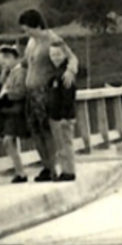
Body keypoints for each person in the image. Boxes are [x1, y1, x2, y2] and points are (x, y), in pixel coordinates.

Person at [18, 8, 78, 182]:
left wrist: (70, 71)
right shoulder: (31, 42)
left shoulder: (52, 39)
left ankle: (58, 168)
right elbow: (25, 63)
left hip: (45, 91)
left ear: (37, 25)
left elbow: (72, 58)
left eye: (28, 28)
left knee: (49, 131)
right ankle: (47, 167)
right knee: (36, 131)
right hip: (31, 93)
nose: (26, 32)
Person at [0, 44, 29, 183]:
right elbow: (1, 82)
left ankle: (20, 172)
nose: (3, 65)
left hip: (16, 110)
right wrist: (4, 70)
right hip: (10, 110)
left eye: (4, 62)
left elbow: (21, 91)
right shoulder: (11, 72)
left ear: (12, 58)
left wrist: (7, 96)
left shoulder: (20, 72)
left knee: (9, 140)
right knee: (9, 141)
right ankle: (19, 171)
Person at [48, 41, 77, 181]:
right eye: (52, 54)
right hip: (56, 116)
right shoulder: (56, 73)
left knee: (66, 144)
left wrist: (65, 116)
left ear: (65, 55)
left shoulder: (66, 74)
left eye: (58, 54)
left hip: (63, 116)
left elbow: (68, 97)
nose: (55, 57)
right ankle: (64, 170)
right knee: (61, 145)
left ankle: (69, 172)